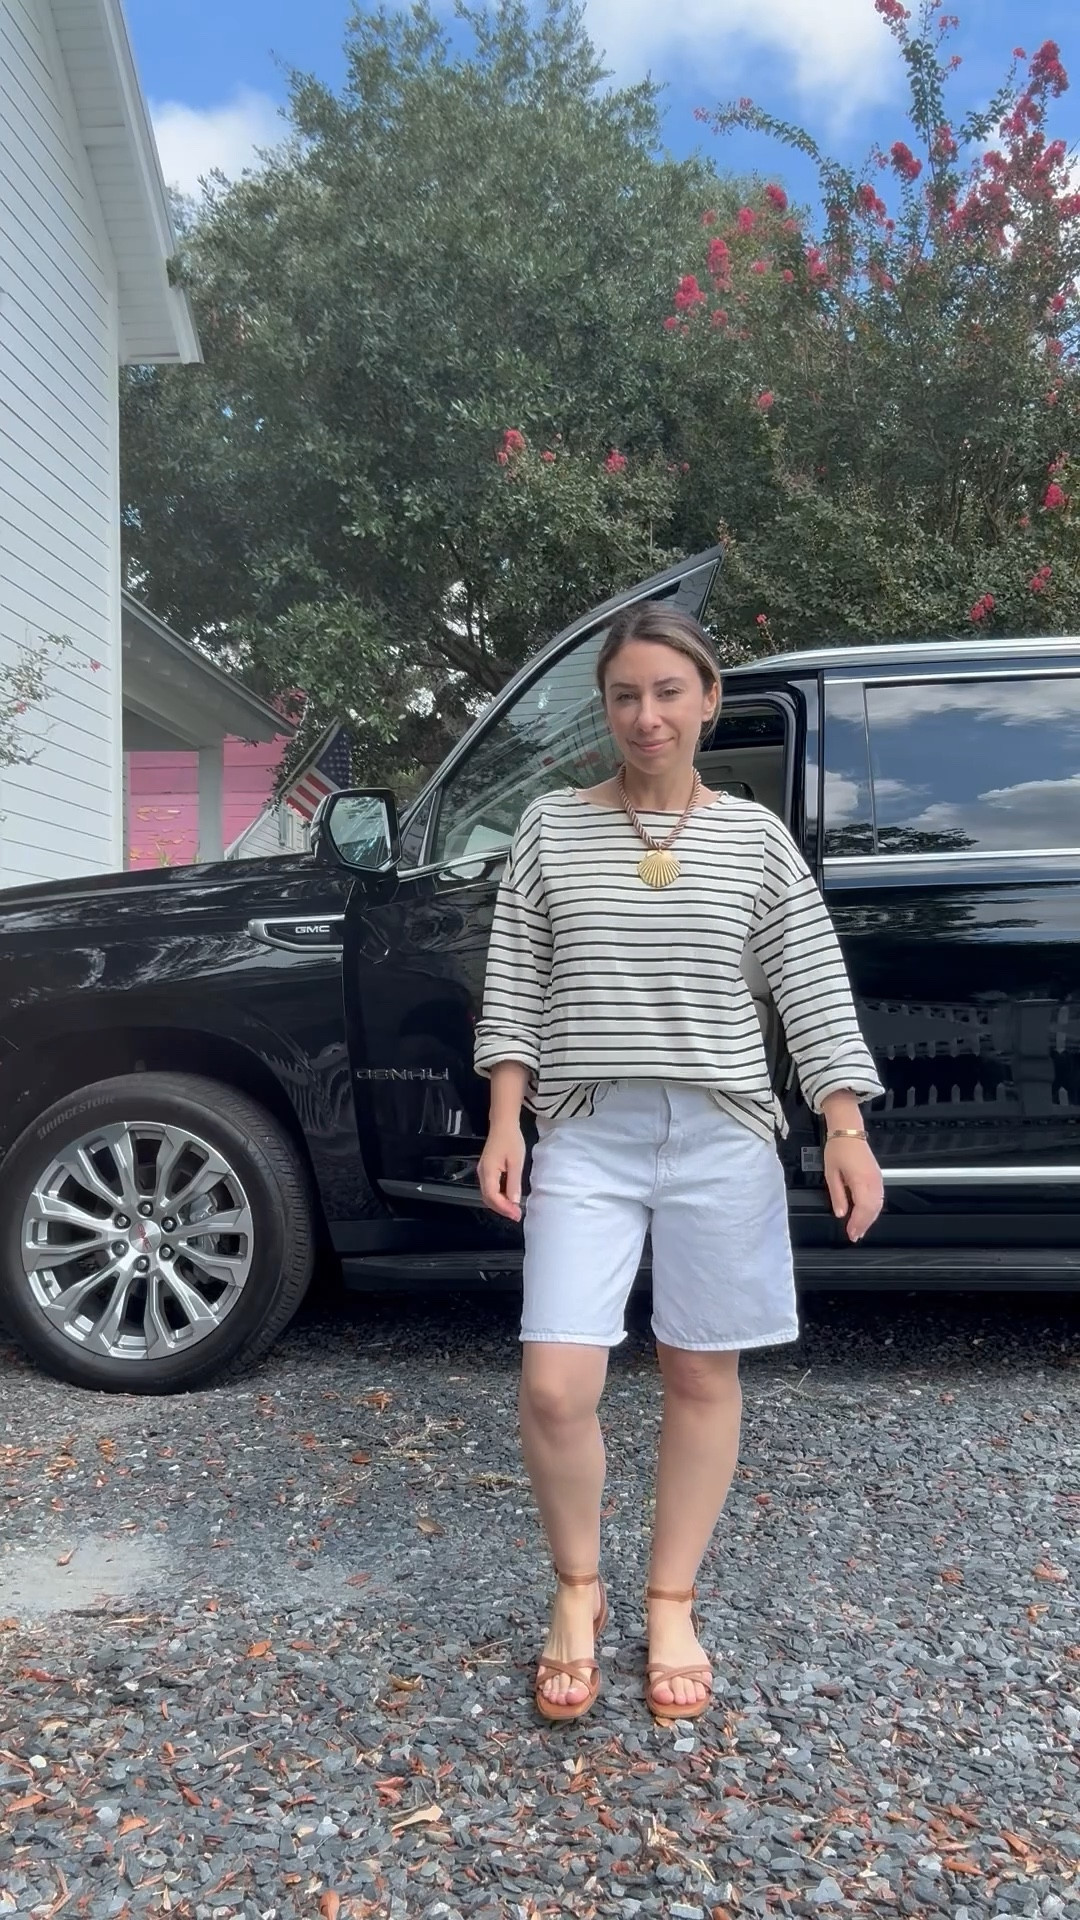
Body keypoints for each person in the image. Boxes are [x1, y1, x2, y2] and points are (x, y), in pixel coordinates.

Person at [474, 600, 884, 1724]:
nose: (645, 715)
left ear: (708, 700)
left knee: (703, 1372)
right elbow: (514, 986)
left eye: (668, 691)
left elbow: (810, 986)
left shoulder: (754, 841)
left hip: (722, 1139)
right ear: (603, 709)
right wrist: (507, 1121)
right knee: (558, 1382)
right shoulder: (552, 829)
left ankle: (669, 1601)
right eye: (623, 695)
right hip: (588, 1134)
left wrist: (844, 1126)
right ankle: (576, 1591)